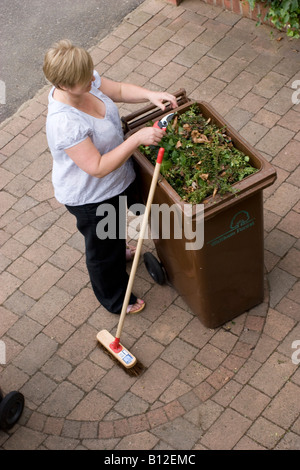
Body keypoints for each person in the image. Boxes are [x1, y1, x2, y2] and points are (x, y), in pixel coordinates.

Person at [43, 39, 177, 315]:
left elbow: (116, 89)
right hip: (92, 194)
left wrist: (150, 94)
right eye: (85, 80)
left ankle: (118, 249)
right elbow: (98, 167)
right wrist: (137, 139)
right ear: (65, 86)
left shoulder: (84, 79)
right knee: (102, 252)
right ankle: (115, 298)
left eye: (91, 73)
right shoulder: (64, 122)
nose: (92, 80)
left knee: (114, 228)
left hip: (117, 180)